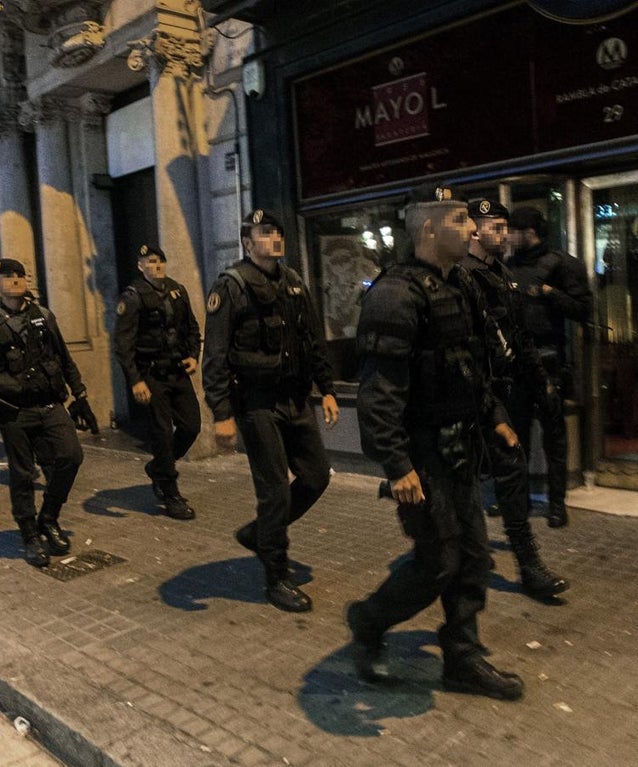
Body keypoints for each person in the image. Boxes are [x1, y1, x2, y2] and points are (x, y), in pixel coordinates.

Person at [347, 185, 524, 700]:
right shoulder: (394, 295)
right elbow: (378, 393)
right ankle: (368, 621)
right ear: (428, 228)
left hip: (461, 447)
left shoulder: (463, 285)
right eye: (461, 219)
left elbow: (474, 365)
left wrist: (494, 417)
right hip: (421, 455)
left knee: (473, 557)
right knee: (439, 561)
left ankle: (462, 660)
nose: (474, 228)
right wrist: (397, 464)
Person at [202, 209, 339, 613]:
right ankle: (276, 576)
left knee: (315, 477)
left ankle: (260, 533)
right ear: (248, 242)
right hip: (257, 404)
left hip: (296, 400)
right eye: (265, 233)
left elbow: (313, 338)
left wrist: (327, 389)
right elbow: (216, 355)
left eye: (277, 232)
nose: (274, 238)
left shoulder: (293, 282)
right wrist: (221, 412)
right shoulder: (231, 287)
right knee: (275, 490)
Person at [462, 199, 568, 599]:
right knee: (473, 475)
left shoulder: (502, 275)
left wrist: (541, 382)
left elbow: (520, 339)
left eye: (505, 227)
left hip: (501, 392)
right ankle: (478, 552)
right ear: (473, 229)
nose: (502, 234)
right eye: (493, 227)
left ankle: (527, 566)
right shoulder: (462, 277)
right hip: (473, 396)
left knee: (506, 468)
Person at [0, 258, 97, 567]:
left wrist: (81, 395)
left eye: (19, 276)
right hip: (14, 411)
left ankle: (48, 517)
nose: (14, 281)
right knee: (22, 474)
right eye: (6, 277)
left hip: (49, 404)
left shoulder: (43, 316)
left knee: (71, 456)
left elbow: (63, 358)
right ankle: (29, 534)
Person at [507, 207, 592, 528]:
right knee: (516, 438)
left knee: (554, 438)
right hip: (516, 364)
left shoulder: (561, 264)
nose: (507, 236)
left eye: (512, 230)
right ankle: (519, 500)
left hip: (548, 363)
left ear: (528, 232)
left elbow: (582, 309)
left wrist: (549, 293)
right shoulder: (508, 266)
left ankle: (557, 504)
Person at [113, 243, 202, 519]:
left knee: (191, 426)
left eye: (160, 261)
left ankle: (158, 468)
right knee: (162, 433)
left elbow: (192, 327)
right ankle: (170, 492)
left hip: (177, 371)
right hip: (151, 375)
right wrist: (136, 381)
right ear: (141, 266)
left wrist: (193, 355)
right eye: (149, 262)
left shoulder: (177, 290)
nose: (156, 266)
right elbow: (123, 344)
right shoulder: (133, 297)